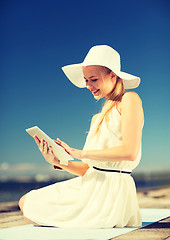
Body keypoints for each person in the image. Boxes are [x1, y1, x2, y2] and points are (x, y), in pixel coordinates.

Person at [19, 45, 144, 228]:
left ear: (113, 75)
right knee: (26, 201)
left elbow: (130, 152)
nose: (88, 86)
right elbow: (89, 169)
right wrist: (58, 161)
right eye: (86, 80)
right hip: (91, 185)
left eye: (93, 79)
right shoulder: (96, 119)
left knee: (30, 210)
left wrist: (80, 152)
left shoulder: (129, 99)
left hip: (110, 193)